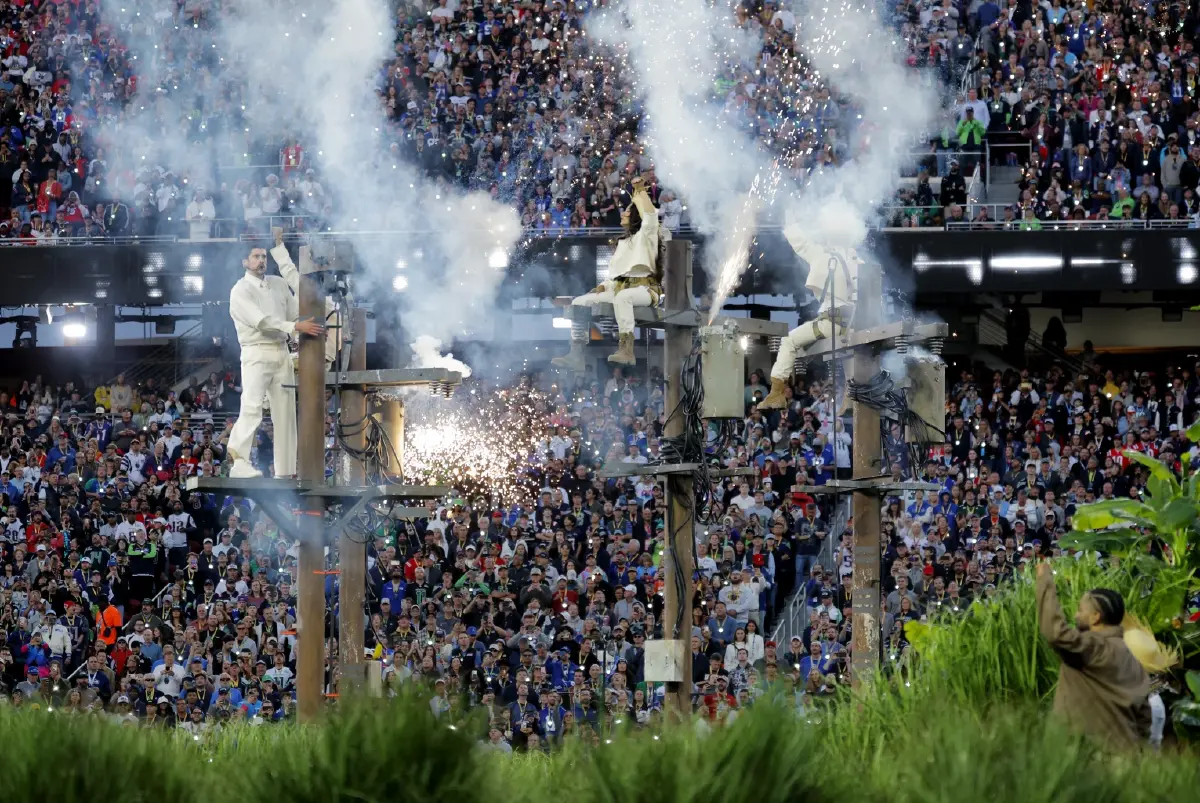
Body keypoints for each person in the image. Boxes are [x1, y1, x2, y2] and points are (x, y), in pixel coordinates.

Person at [226, 238, 325, 478]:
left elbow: (295, 313)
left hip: (282, 350)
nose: (261, 261)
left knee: (286, 412)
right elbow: (261, 321)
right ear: (245, 262)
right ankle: (239, 462)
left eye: (263, 257)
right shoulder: (240, 290)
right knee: (251, 406)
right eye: (256, 257)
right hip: (256, 350)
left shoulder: (279, 284)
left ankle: (286, 470)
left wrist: (308, 322)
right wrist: (295, 326)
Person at [552, 175, 664, 370]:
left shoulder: (646, 236)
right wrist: (602, 287)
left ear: (636, 215)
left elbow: (651, 216)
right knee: (579, 301)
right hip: (619, 289)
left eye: (627, 211)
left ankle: (626, 350)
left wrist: (640, 192)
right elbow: (614, 277)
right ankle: (576, 354)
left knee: (624, 298)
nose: (623, 213)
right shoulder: (621, 243)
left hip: (645, 290)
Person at [1035, 562, 1150, 748]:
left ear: (1096, 616)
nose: (1076, 615)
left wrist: (1044, 581)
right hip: (1126, 756)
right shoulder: (1133, 661)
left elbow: (1056, 633)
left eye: (1081, 610)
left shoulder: (1094, 647)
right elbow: (1144, 718)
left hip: (1090, 756)